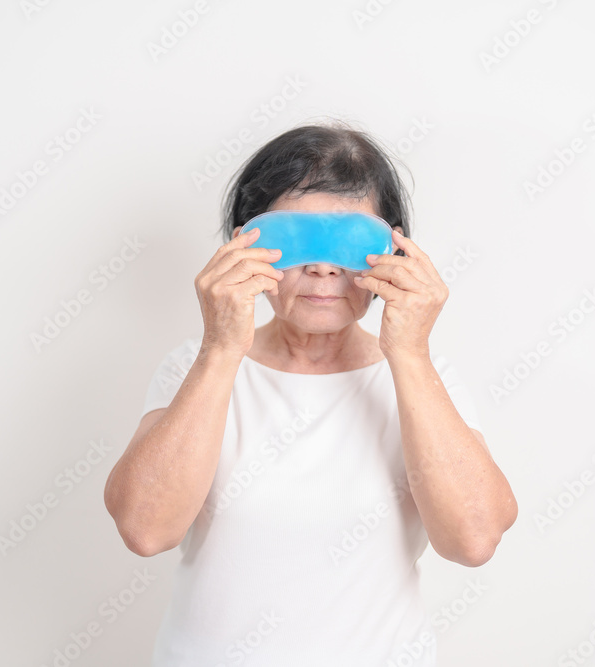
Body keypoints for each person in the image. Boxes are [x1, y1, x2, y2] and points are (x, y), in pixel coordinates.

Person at [103, 120, 518, 666]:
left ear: (394, 250)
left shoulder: (423, 379)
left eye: (349, 243)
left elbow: (475, 540)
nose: (323, 268)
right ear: (243, 246)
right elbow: (145, 529)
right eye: (296, 241)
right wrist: (220, 348)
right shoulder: (195, 367)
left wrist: (411, 355)